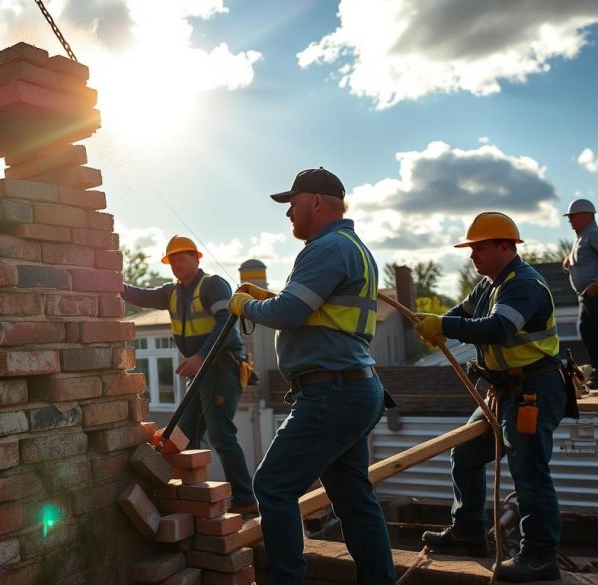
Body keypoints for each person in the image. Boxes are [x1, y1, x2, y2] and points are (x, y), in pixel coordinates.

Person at [228, 167, 395, 585]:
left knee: (272, 486)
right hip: (353, 388)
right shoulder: (350, 247)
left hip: (332, 392)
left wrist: (245, 306)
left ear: (316, 202)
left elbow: (288, 313)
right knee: (353, 499)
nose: (288, 213)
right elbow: (310, 309)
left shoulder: (326, 248)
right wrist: (269, 298)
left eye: (293, 203)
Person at [415, 211, 570, 582]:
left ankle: (540, 557)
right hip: (505, 392)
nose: (472, 255)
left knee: (529, 473)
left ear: (505, 246)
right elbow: (464, 312)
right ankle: (468, 531)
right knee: (466, 454)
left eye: (479, 247)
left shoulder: (524, 284)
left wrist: (444, 326)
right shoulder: (490, 285)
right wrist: (441, 323)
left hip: (532, 391)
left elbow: (499, 327)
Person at [121, 235, 258, 515]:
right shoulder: (172, 292)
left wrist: (200, 357)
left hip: (221, 368)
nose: (177, 265)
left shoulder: (212, 285)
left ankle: (245, 500)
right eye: (172, 261)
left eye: (182, 259)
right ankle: (190, 498)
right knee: (185, 435)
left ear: (196, 258)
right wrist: (117, 286)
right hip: (202, 373)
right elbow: (143, 296)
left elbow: (227, 323)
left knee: (221, 434)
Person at [563, 198, 598, 389]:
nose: (570, 220)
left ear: (587, 216)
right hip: (586, 297)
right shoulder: (582, 237)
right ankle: (597, 372)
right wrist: (570, 259)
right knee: (587, 330)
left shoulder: (593, 234)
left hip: (595, 295)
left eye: (573, 216)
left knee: (593, 331)